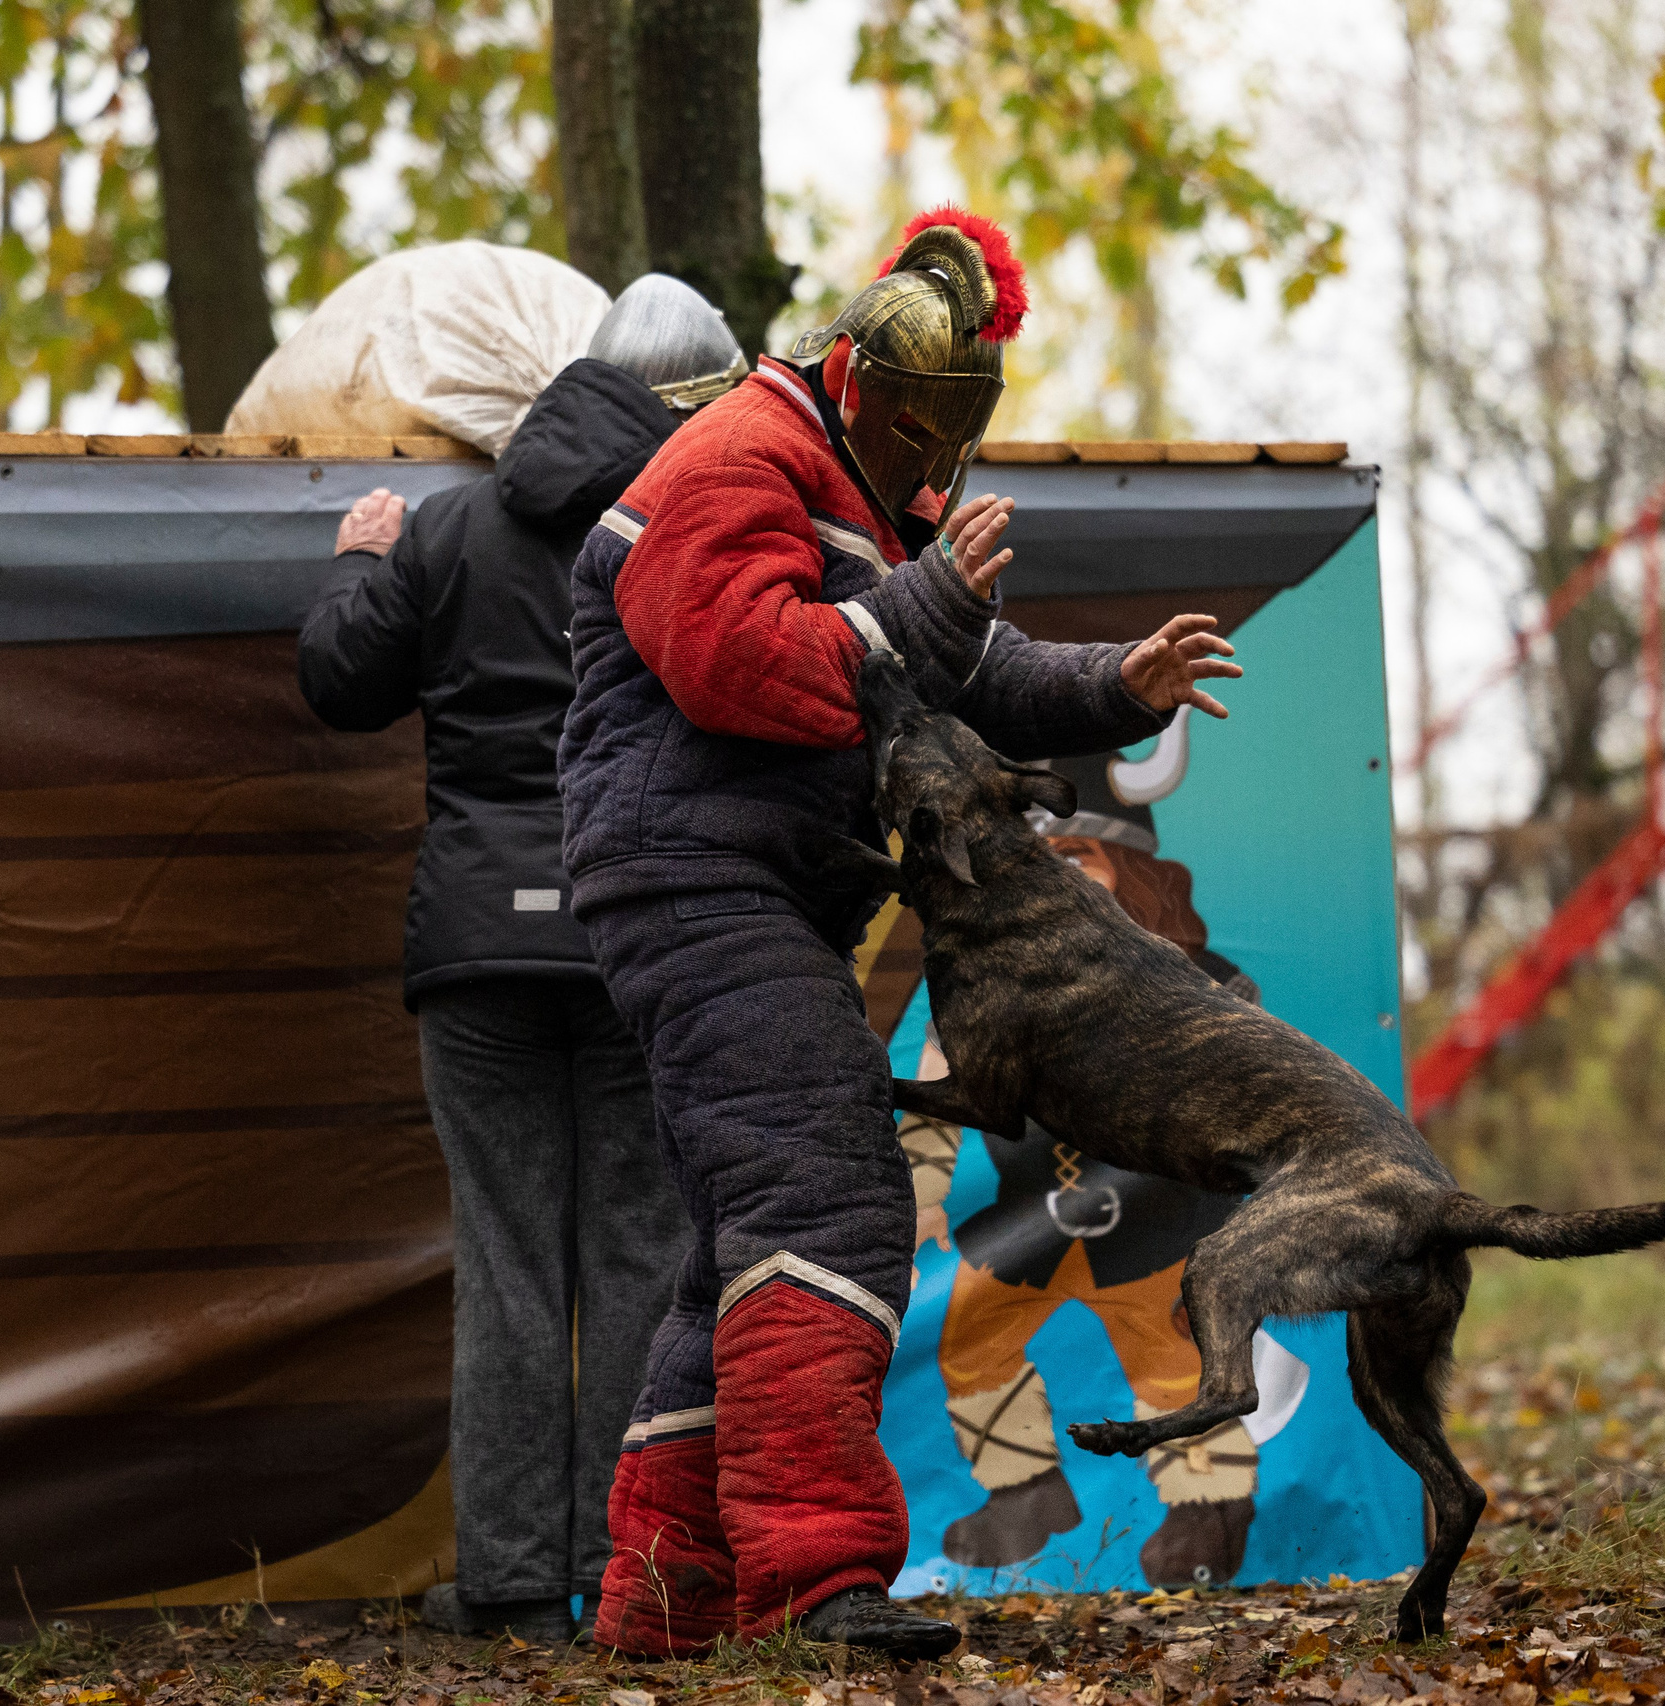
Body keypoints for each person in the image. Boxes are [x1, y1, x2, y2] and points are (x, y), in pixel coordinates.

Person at [557, 208, 1249, 1659]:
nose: (939, 466)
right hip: (695, 884)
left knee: (740, 1247)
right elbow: (739, 663)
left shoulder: (865, 490)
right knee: (832, 1206)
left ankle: (666, 1603)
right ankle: (822, 1585)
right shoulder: (740, 453)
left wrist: (1120, 681)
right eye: (926, 432)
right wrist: (925, 605)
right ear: (873, 391)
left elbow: (979, 670)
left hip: (745, 890)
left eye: (956, 435)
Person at [296, 275, 748, 1643]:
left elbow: (339, 684)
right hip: (630, 936)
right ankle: (632, 1578)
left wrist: (363, 564)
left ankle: (502, 1580)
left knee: (503, 1259)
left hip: (480, 948)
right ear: (688, 402)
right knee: (636, 1250)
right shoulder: (687, 531)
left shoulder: (452, 526)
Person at [904, 750, 1275, 1587]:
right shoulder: (977, 991)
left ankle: (1207, 1513)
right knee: (968, 1349)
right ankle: (1026, 1494)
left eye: (1079, 859)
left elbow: (1262, 1094)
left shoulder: (1210, 986)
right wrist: (923, 1192)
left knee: (1180, 1368)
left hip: (1160, 1237)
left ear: (1133, 872)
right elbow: (935, 1096)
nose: (1059, 882)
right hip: (1019, 1229)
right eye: (1038, 864)